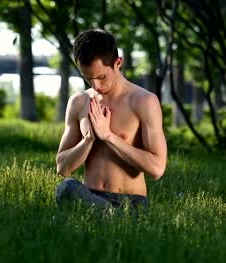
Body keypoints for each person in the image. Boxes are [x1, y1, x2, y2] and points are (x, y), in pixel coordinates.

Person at [55, 29, 167, 210]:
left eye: (101, 77)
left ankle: (115, 220)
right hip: (91, 198)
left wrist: (108, 136)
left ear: (118, 63)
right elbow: (62, 167)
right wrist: (89, 138)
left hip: (130, 204)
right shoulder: (79, 102)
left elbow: (157, 169)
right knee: (66, 188)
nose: (96, 86)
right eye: (88, 78)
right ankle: (104, 219)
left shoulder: (144, 101)